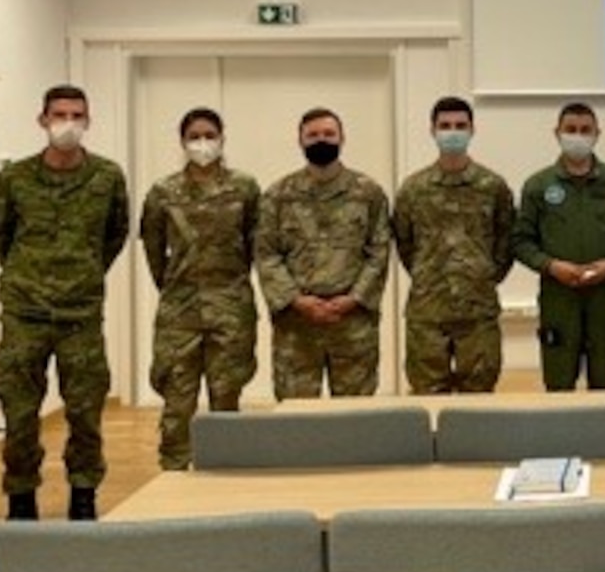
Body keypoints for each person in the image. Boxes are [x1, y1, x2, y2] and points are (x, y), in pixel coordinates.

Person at [0, 84, 130, 520]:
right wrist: (29, 278)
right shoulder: (15, 178)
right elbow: (2, 236)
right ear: (42, 120)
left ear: (87, 122)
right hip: (24, 314)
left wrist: (84, 273)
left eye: (76, 115)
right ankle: (21, 499)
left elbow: (115, 234)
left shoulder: (106, 176)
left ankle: (84, 497)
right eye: (59, 114)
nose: (67, 123)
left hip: (79, 315)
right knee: (19, 413)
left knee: (86, 413)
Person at [137, 106, 260, 470]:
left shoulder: (244, 187)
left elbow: (256, 243)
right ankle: (172, 477)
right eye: (194, 136)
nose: (202, 143)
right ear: (182, 141)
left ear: (222, 139)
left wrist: (232, 284)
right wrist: (176, 287)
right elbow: (153, 249)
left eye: (209, 135)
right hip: (180, 311)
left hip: (231, 307)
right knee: (177, 402)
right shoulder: (163, 192)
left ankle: (224, 475)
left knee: (226, 398)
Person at [253, 107, 392, 399]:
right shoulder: (278, 195)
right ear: (300, 141)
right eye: (313, 135)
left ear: (342, 139)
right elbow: (266, 254)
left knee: (356, 421)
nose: (321, 140)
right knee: (297, 422)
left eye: (329, 134)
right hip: (297, 325)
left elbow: (379, 251)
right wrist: (296, 299)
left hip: (353, 324)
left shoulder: (368, 193)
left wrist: (354, 298)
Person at [512, 101, 605, 391]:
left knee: (603, 380)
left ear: (597, 133)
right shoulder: (538, 185)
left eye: (585, 130)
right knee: (559, 381)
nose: (578, 136)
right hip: (557, 296)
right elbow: (521, 240)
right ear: (557, 133)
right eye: (571, 129)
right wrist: (550, 266)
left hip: (604, 295)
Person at [391, 95, 515, 394]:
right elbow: (405, 244)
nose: (453, 132)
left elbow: (506, 240)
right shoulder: (413, 188)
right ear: (432, 130)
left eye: (460, 125)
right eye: (445, 125)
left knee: (479, 399)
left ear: (472, 129)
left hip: (478, 311)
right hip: (427, 311)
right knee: (427, 395)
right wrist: (430, 275)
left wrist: (483, 275)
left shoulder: (492, 186)